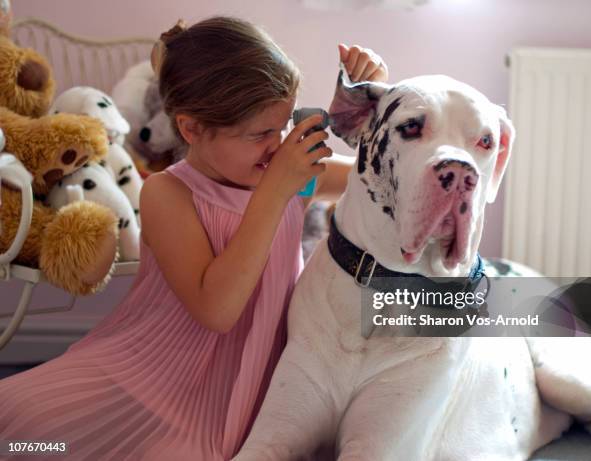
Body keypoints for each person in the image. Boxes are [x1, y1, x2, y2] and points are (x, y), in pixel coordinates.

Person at [0, 16, 388, 460]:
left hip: (250, 392)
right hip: (152, 376)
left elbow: (378, 180)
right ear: (190, 130)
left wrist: (366, 110)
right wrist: (276, 191)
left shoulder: (291, 178)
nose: (276, 145)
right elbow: (217, 309)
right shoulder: (168, 192)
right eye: (260, 133)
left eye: (281, 127)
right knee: (21, 424)